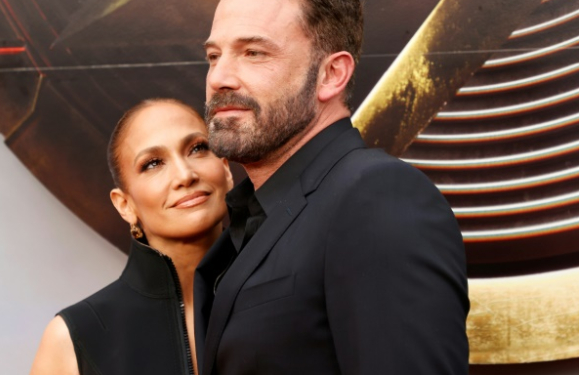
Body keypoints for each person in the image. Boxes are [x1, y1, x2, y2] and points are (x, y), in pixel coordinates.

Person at [194, 0, 470, 374]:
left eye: (253, 52)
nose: (218, 78)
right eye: (214, 55)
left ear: (331, 74)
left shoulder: (377, 197)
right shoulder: (251, 221)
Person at [30, 99, 233, 375]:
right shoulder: (74, 338)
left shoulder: (293, 292)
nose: (185, 175)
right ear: (125, 205)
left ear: (226, 168)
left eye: (197, 148)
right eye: (152, 164)